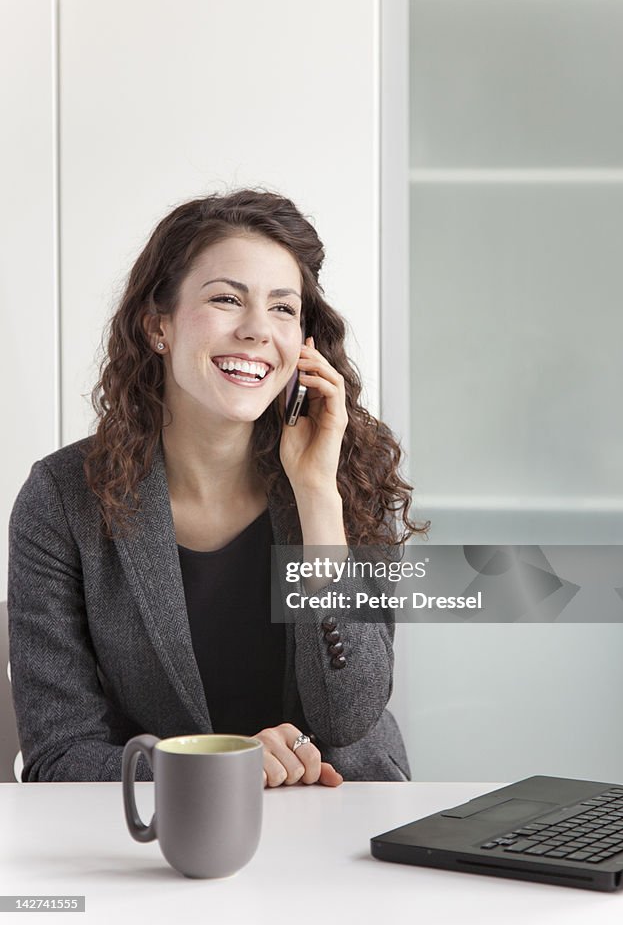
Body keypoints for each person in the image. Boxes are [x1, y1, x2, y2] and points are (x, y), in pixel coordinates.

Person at [8, 189, 426, 785]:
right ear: (159, 327)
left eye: (284, 309)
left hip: (340, 812)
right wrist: (220, 768)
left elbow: (349, 715)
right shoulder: (61, 497)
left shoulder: (349, 476)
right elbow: (59, 755)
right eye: (228, 299)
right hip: (165, 833)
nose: (258, 330)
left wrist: (316, 501)